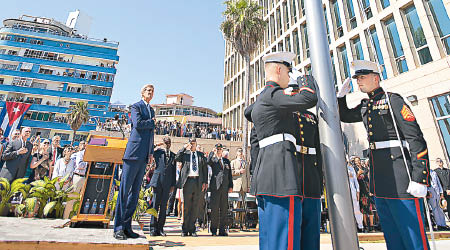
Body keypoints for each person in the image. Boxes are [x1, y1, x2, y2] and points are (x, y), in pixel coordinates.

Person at [337, 60, 430, 250]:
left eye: (362, 77)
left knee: (412, 236)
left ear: (376, 78)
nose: (359, 81)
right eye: (357, 78)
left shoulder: (393, 100)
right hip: (380, 179)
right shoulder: (366, 105)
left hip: (400, 175)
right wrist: (341, 97)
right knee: (392, 236)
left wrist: (420, 177)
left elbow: (415, 138)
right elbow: (345, 115)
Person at [244, 51, 317, 250]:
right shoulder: (273, 95)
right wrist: (304, 79)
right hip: (282, 176)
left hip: (267, 177)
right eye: (288, 71)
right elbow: (309, 99)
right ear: (278, 69)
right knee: (286, 241)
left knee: (270, 241)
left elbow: (248, 112)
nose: (289, 76)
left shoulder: (264, 98)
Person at [114, 84, 156, 240]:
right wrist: (151, 122)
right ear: (142, 93)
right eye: (148, 90)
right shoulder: (136, 106)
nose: (150, 93)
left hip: (144, 156)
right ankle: (118, 227)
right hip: (132, 154)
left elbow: (151, 135)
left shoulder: (151, 110)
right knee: (124, 191)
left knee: (135, 193)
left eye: (152, 91)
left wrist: (151, 152)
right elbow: (137, 124)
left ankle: (127, 227)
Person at [175, 138, 208, 237]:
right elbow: (177, 157)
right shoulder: (185, 154)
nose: (192, 145)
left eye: (194, 143)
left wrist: (205, 182)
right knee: (187, 206)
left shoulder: (200, 155)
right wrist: (184, 148)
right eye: (191, 143)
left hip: (197, 181)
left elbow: (204, 169)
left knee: (195, 206)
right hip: (188, 181)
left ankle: (192, 228)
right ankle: (185, 229)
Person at [149, 136, 176, 236]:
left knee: (163, 206)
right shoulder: (158, 153)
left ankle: (160, 228)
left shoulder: (173, 156)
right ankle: (152, 228)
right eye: (165, 142)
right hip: (158, 181)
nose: (167, 144)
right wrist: (158, 145)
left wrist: (173, 185)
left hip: (167, 183)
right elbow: (149, 150)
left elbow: (173, 172)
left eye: (168, 142)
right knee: (155, 205)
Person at [208, 143, 233, 236]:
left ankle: (222, 230)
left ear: (222, 151)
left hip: (225, 188)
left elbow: (229, 175)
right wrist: (212, 152)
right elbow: (208, 161)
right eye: (217, 149)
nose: (219, 151)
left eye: (220, 149)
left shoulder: (226, 161)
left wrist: (231, 186)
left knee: (224, 210)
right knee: (214, 210)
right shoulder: (213, 160)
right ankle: (214, 230)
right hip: (216, 188)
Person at [230, 148, 249, 226]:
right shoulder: (233, 162)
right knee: (236, 204)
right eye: (239, 152)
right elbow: (231, 172)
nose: (240, 153)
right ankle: (235, 221)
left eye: (241, 152)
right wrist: (238, 172)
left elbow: (247, 175)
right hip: (236, 186)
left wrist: (248, 186)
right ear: (237, 153)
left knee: (243, 204)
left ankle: (242, 222)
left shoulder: (246, 163)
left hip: (243, 186)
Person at [348, 161, 364, 232]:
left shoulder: (351, 169)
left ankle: (360, 226)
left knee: (356, 208)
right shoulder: (337, 169)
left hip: (352, 191)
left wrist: (358, 191)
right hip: (343, 192)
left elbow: (355, 181)